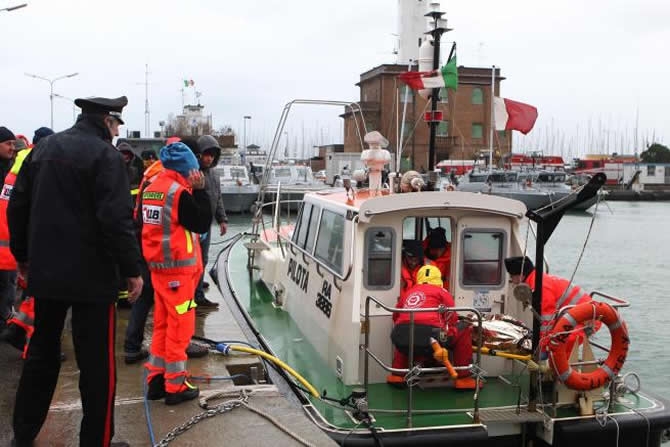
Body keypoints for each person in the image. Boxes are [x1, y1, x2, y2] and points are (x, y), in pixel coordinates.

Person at [8, 96, 142, 447]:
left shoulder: (44, 149)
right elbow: (115, 219)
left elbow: (17, 205)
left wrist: (22, 255)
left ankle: (23, 433)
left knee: (40, 354)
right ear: (108, 123)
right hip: (92, 279)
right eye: (116, 127)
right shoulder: (106, 156)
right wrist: (132, 270)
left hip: (46, 274)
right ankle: (96, 441)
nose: (115, 134)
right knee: (97, 367)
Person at [142, 142, 212, 405]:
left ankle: (156, 380)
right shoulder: (179, 193)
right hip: (178, 273)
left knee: (162, 323)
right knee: (180, 327)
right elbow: (201, 221)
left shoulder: (153, 189)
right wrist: (201, 191)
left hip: (159, 270)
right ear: (186, 170)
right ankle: (176, 385)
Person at [388, 265, 477, 389]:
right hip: (432, 338)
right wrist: (451, 329)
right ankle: (464, 379)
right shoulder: (442, 292)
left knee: (406, 331)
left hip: (400, 336)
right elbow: (452, 317)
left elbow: (396, 316)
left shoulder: (408, 292)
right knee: (464, 329)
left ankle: (397, 375)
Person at [504, 256, 598, 351]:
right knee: (556, 351)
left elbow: (546, 321)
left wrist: (541, 347)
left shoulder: (541, 287)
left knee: (558, 350)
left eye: (511, 276)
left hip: (587, 320)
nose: (511, 280)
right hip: (576, 316)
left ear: (520, 275)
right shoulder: (536, 280)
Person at [193, 135, 228, 308]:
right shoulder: (193, 172)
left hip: (207, 224)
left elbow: (218, 197)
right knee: (197, 260)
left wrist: (222, 219)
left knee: (203, 259)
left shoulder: (214, 174)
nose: (209, 158)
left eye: (212, 155)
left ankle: (198, 286)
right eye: (206, 154)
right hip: (194, 225)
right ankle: (197, 294)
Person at [0, 126, 17, 332]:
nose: (12, 148)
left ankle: (5, 317)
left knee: (8, 285)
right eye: (8, 143)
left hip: (8, 242)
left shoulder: (10, 168)